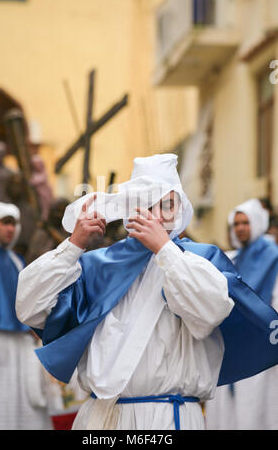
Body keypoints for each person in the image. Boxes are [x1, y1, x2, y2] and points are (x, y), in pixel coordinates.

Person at [16, 154, 278, 431]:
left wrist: (165, 250)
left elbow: (210, 312)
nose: (153, 212)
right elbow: (29, 307)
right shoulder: (97, 265)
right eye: (144, 202)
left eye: (164, 204)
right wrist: (73, 246)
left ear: (178, 208)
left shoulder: (199, 260)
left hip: (166, 416)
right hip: (102, 418)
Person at [0, 201, 53, 430]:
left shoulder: (15, 260)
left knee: (25, 401)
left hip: (21, 340)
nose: (10, 229)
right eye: (5, 223)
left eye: (14, 224)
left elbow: (24, 301)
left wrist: (33, 326)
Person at [205, 198, 278, 430]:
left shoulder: (273, 256)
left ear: (256, 223)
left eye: (245, 222)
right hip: (232, 343)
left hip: (262, 345)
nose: (240, 228)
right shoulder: (233, 257)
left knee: (257, 409)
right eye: (236, 223)